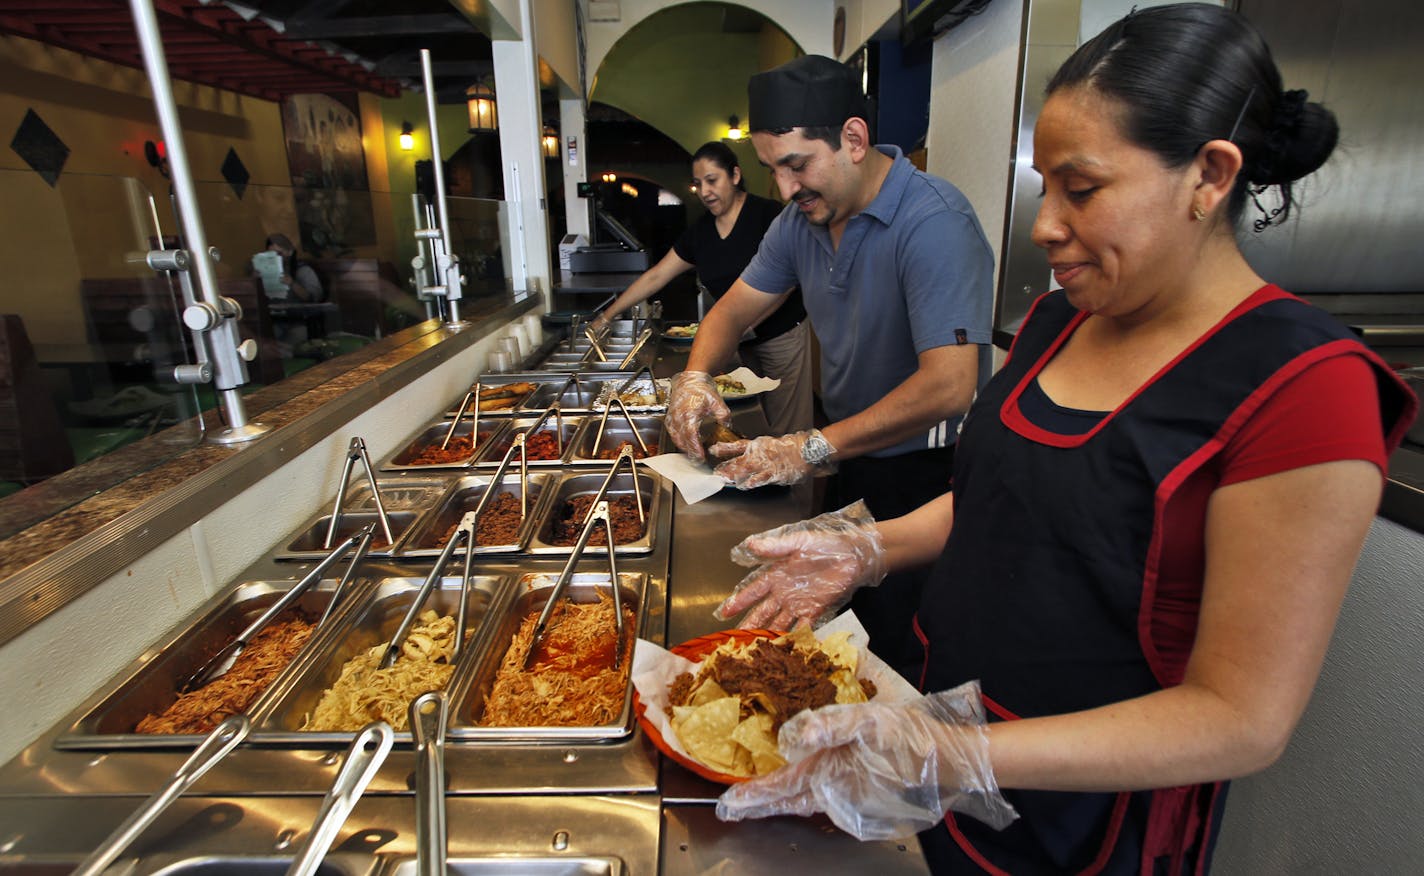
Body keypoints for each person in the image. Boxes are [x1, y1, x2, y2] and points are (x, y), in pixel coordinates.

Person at [711, 6, 1418, 874]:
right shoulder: (1060, 320)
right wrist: (865, 548)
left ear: (1210, 174)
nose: (1045, 225)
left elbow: (1241, 717)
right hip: (941, 744)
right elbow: (996, 505)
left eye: (1080, 190)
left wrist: (964, 756)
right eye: (1045, 187)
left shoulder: (1304, 385)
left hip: (1086, 822)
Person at [665, 54, 995, 675]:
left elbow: (951, 386)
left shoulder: (933, 222)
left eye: (797, 165)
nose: (786, 189)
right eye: (772, 170)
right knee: (848, 645)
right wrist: (695, 377)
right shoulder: (800, 225)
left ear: (853, 138)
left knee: (904, 648)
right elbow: (730, 312)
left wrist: (808, 447)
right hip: (850, 455)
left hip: (929, 474)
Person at [591, 141, 813, 435]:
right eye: (698, 184)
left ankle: (793, 484)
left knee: (790, 430)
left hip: (781, 336)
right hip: (736, 338)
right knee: (746, 422)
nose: (705, 192)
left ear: (734, 175)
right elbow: (656, 276)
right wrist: (606, 316)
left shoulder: (768, 215)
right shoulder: (701, 232)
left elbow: (786, 282)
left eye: (712, 180)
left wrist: (742, 327)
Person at [259, 233, 324, 303]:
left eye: (279, 253)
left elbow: (315, 298)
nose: (276, 258)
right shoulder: (266, 272)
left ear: (290, 252)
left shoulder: (304, 271)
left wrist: (292, 284)